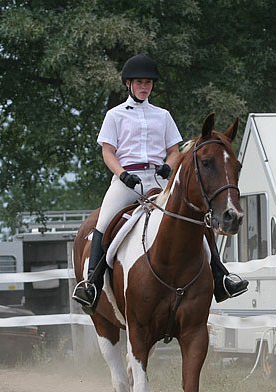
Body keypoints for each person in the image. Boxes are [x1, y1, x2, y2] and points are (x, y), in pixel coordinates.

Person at [72, 53, 248, 310]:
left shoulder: (162, 115)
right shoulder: (115, 115)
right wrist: (122, 174)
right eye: (140, 82)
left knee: (194, 219)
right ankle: (92, 283)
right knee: (104, 222)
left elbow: (174, 150)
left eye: (149, 83)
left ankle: (221, 276)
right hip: (126, 181)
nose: (145, 87)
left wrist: (169, 166)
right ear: (128, 84)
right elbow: (107, 152)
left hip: (158, 180)